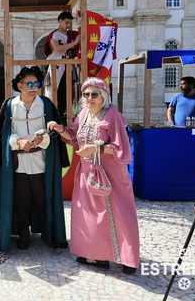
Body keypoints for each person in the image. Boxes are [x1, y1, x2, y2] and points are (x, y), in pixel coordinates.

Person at [47, 77, 140, 274]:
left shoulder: (113, 115)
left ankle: (127, 259)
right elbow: (73, 136)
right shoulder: (84, 114)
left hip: (111, 174)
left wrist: (94, 148)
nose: (89, 98)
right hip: (88, 172)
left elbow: (120, 148)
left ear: (104, 96)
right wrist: (59, 128)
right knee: (91, 216)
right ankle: (97, 256)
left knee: (119, 213)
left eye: (94, 94)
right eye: (86, 94)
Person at [0, 66, 69, 252]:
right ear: (20, 85)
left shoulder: (46, 105)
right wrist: (19, 141)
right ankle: (24, 235)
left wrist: (43, 138)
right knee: (21, 202)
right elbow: (4, 134)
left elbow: (54, 131)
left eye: (36, 84)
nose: (33, 87)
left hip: (41, 162)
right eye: (29, 84)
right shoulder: (9, 105)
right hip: (18, 164)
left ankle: (48, 234)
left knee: (43, 199)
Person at [44, 11, 81, 115]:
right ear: (60, 21)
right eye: (66, 22)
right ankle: (53, 116)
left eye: (70, 23)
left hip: (67, 68)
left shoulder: (71, 35)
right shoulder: (54, 35)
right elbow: (58, 48)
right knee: (54, 93)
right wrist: (74, 43)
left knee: (67, 93)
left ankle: (64, 117)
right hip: (56, 68)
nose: (68, 25)